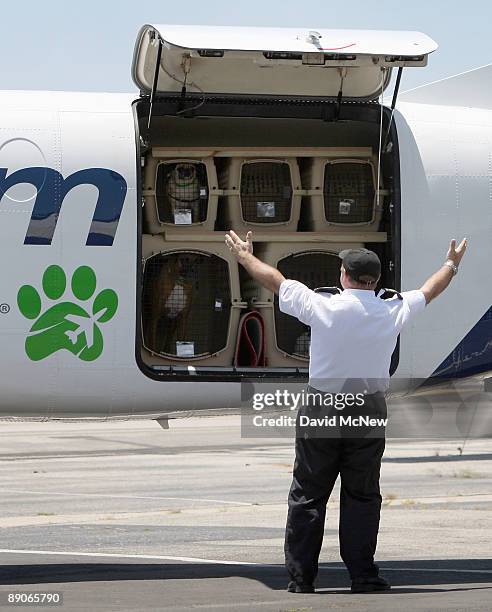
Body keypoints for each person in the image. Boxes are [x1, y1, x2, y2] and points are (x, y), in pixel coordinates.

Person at [225, 229, 467, 594]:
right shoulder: (391, 308)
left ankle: (302, 578)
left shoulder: (323, 305)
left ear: (344, 276)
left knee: (308, 492)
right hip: (367, 407)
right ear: (375, 281)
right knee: (363, 495)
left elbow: (277, 281)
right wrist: (451, 263)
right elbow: (430, 290)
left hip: (322, 405)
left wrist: (245, 257)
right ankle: (364, 575)